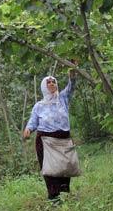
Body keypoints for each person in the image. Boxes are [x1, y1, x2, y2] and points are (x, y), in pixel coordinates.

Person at [23, 65, 77, 203]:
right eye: (48, 82)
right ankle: (53, 196)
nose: (52, 84)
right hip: (45, 139)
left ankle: (63, 192)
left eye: (54, 82)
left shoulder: (63, 99)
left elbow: (71, 86)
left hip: (63, 137)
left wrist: (72, 70)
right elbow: (33, 121)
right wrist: (28, 129)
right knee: (49, 168)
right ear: (44, 86)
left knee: (65, 166)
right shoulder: (39, 105)